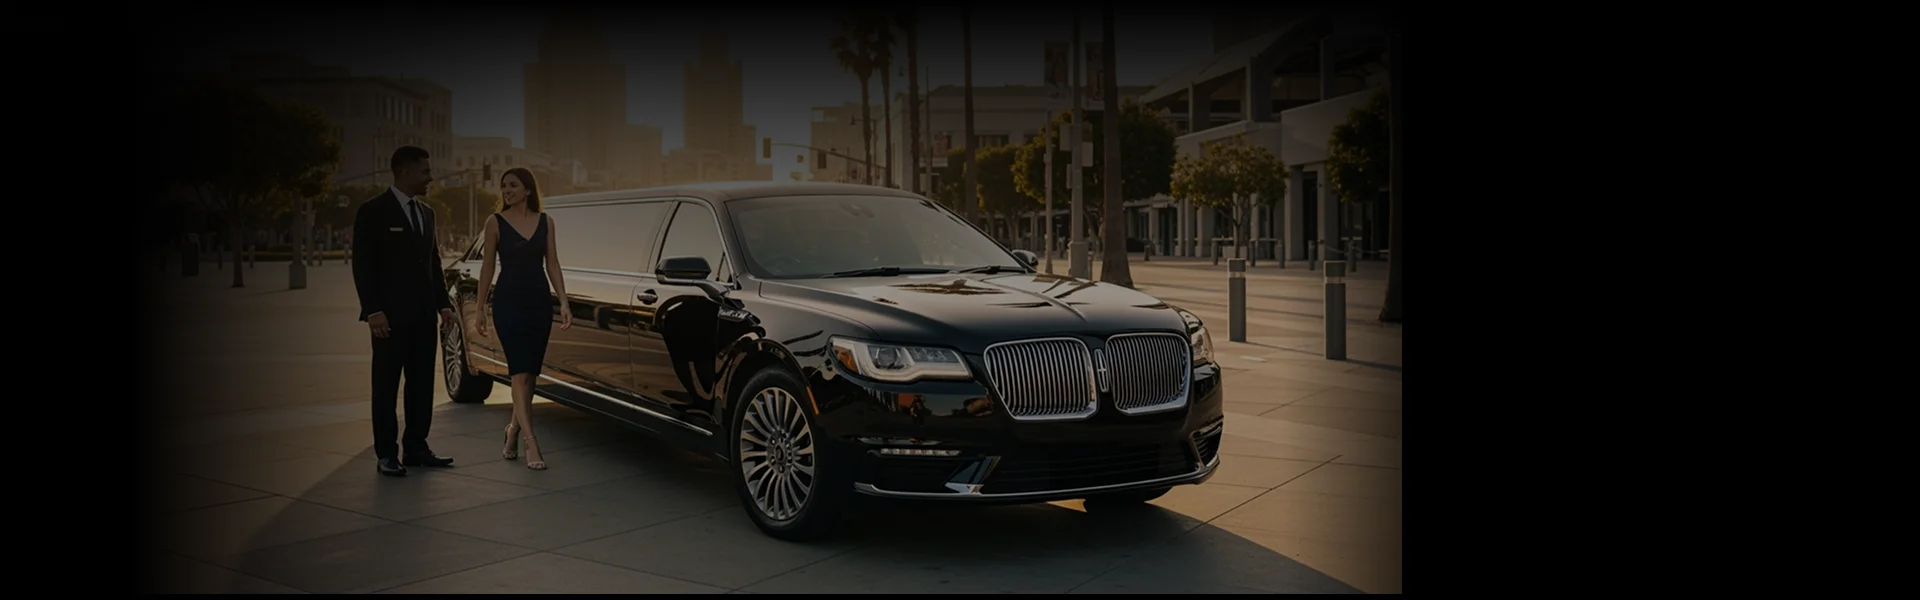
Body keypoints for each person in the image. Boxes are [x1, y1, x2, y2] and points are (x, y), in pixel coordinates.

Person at [352, 146, 457, 477]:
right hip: (389, 320)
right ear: (404, 172)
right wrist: (373, 311)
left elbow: (433, 263)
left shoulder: (427, 213)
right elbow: (363, 266)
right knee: (385, 387)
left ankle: (416, 447)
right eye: (425, 171)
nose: (430, 177)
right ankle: (387, 454)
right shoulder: (373, 211)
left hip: (424, 317)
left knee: (421, 384)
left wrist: (443, 304)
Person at [475, 167, 571, 470]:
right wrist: (480, 308)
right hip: (508, 303)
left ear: (528, 190)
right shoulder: (495, 222)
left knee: (531, 373)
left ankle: (513, 429)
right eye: (503, 186)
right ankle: (532, 442)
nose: (506, 190)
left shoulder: (547, 222)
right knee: (518, 371)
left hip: (539, 303)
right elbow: (487, 267)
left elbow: (553, 264)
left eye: (513, 185)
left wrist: (564, 302)